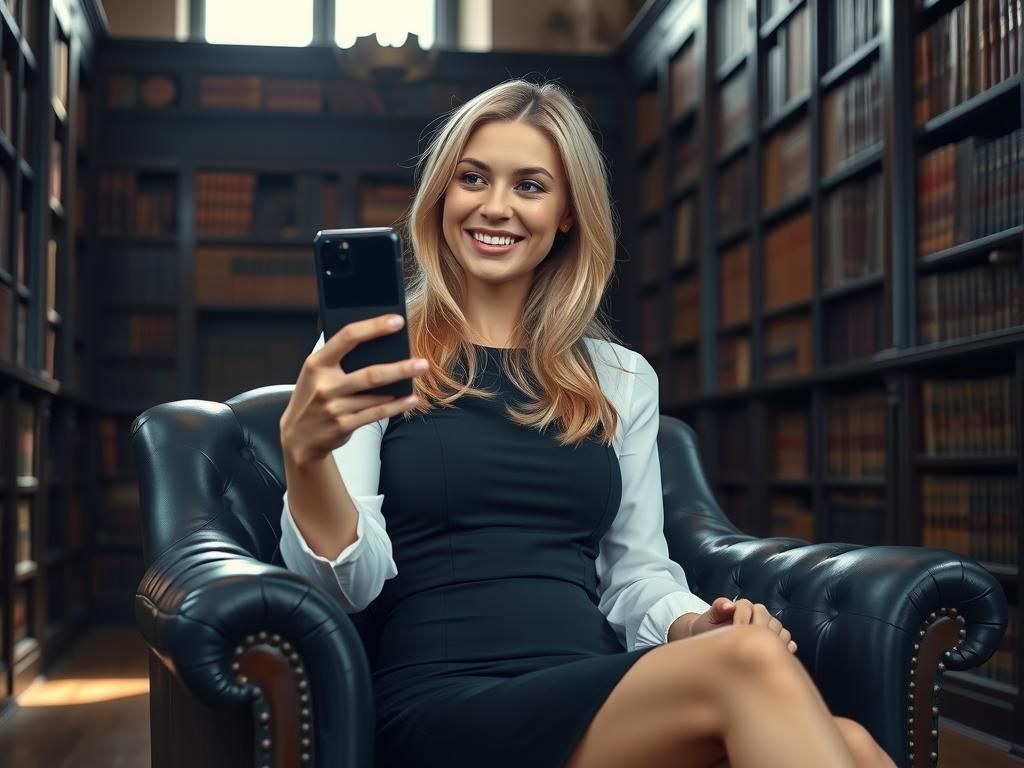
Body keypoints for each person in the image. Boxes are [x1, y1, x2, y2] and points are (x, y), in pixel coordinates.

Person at [277, 79, 895, 768]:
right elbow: (341, 587)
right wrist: (306, 461)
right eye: (473, 178)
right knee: (769, 678)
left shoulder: (620, 377)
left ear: (569, 212)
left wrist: (699, 623)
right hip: (448, 704)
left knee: (856, 747)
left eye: (531, 186)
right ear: (441, 196)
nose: (496, 206)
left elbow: (636, 575)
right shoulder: (373, 358)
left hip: (597, 689)